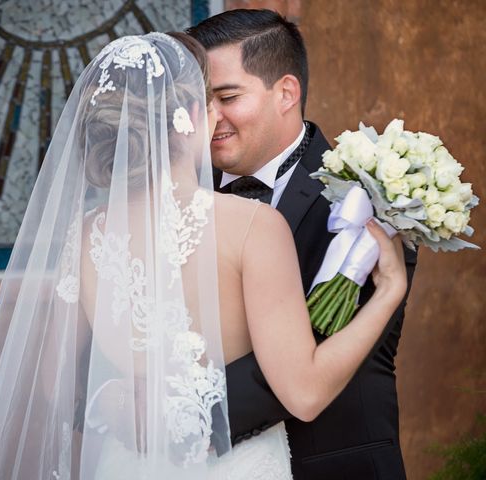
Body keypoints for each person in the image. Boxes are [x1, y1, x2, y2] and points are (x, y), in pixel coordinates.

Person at [0, 32, 406, 480]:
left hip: (125, 465)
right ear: (192, 117)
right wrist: (389, 292)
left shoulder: (84, 236)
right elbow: (303, 394)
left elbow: (53, 384)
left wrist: (113, 399)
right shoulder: (252, 227)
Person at [188, 9, 418, 480]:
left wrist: (176, 416)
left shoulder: (370, 197)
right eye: (196, 101)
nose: (210, 118)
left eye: (227, 96)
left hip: (334, 465)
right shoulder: (172, 194)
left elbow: (323, 347)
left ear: (286, 93)